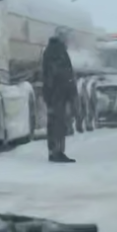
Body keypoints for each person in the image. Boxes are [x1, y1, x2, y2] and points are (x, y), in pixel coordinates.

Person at [42, 26, 77, 163]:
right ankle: (56, 152)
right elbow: (60, 74)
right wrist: (68, 90)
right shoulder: (57, 51)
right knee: (57, 123)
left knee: (57, 123)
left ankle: (56, 151)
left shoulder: (54, 49)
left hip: (55, 93)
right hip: (57, 93)